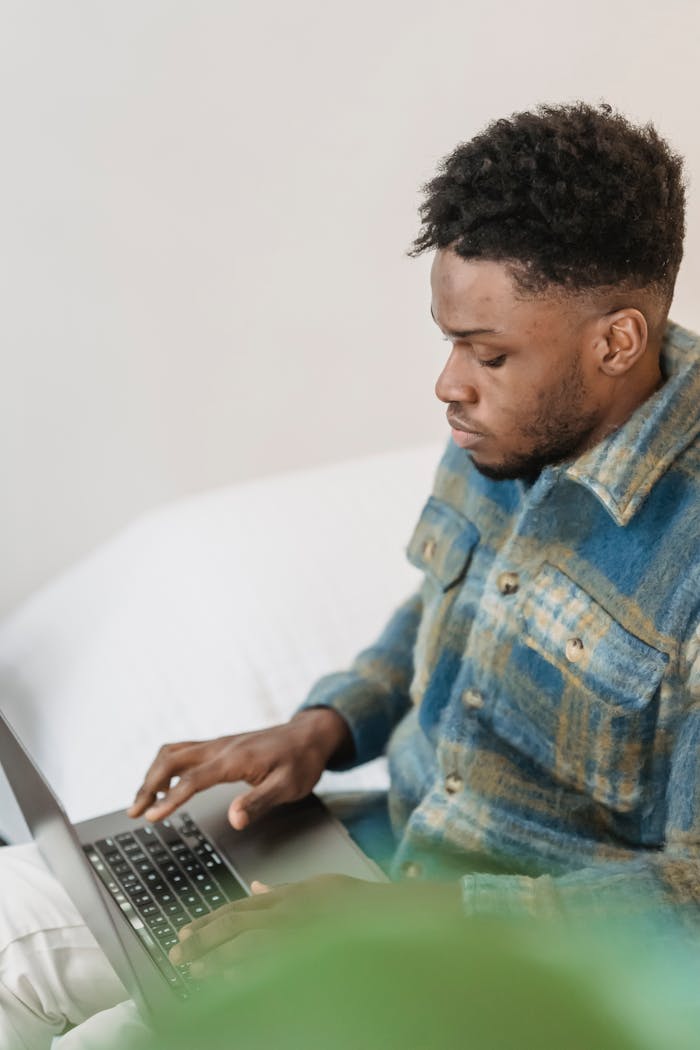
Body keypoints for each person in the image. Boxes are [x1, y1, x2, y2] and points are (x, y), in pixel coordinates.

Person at [1, 100, 698, 1047]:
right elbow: (445, 610)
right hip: (367, 854)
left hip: (526, 971)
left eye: (489, 354)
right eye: (450, 339)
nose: (449, 385)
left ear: (616, 342)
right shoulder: (511, 426)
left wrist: (411, 924)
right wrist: (321, 730)